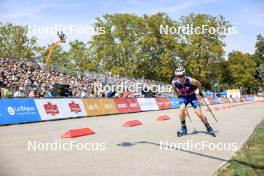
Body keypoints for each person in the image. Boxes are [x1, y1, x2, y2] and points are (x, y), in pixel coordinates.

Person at [172, 67, 215, 137]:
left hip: (192, 96)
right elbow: (174, 87)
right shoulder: (174, 81)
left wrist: (200, 91)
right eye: (178, 76)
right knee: (181, 109)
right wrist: (177, 94)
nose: (179, 78)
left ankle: (208, 127)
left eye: (181, 76)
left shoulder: (190, 80)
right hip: (183, 97)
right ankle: (183, 128)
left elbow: (198, 83)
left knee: (199, 113)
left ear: (184, 74)